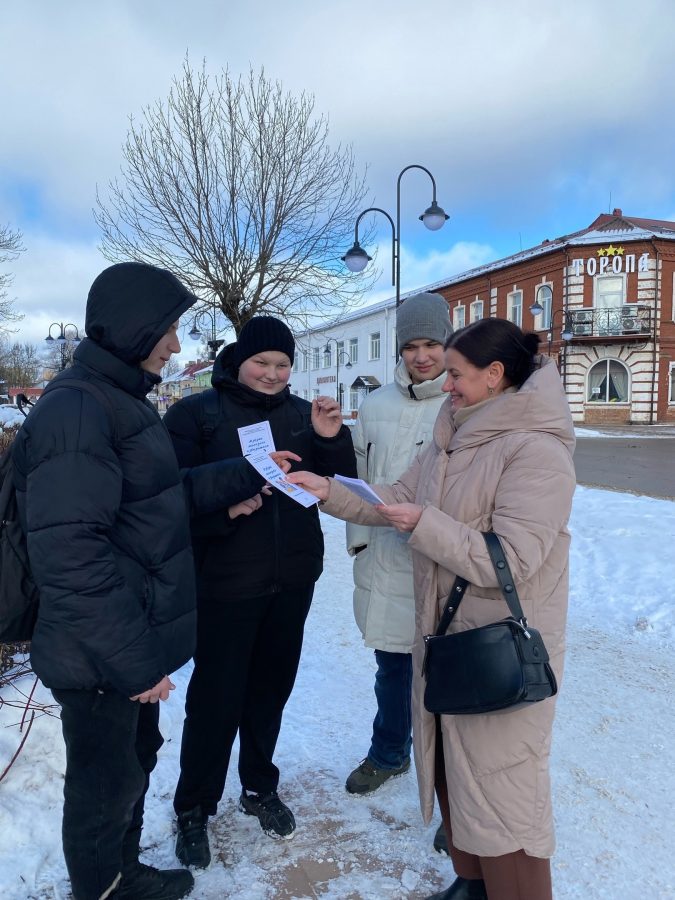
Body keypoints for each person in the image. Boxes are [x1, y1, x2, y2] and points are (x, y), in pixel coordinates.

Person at [11, 263, 287, 900]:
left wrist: (250, 474)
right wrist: (137, 664)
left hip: (119, 643)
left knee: (130, 771)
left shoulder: (115, 401)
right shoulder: (78, 411)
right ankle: (104, 889)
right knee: (103, 787)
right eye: (169, 329)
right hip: (102, 652)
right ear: (136, 328)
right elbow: (73, 559)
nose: (176, 345)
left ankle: (123, 875)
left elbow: (158, 498)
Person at [287, 317, 576, 900]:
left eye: (457, 374)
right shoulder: (454, 431)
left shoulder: (537, 451)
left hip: (499, 645)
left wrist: (428, 527)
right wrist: (330, 490)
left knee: (502, 790)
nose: (445, 386)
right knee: (452, 771)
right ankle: (471, 883)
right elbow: (395, 497)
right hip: (446, 635)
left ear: (495, 376)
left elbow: (512, 559)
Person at [164, 316, 357, 868]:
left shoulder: (303, 415)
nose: (272, 374)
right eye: (262, 363)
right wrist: (225, 511)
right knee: (216, 700)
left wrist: (330, 439)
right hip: (225, 582)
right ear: (238, 360)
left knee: (271, 690)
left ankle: (258, 787)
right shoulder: (195, 415)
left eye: (282, 365)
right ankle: (194, 807)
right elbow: (167, 501)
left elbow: (337, 488)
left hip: (292, 578)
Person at [344, 293, 451, 813]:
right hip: (385, 559)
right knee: (392, 671)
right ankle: (389, 753)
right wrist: (359, 542)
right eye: (411, 345)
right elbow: (360, 477)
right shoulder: (376, 404)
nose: (422, 355)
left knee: (450, 679)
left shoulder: (463, 403)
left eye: (431, 343)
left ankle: (453, 790)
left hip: (442, 563)